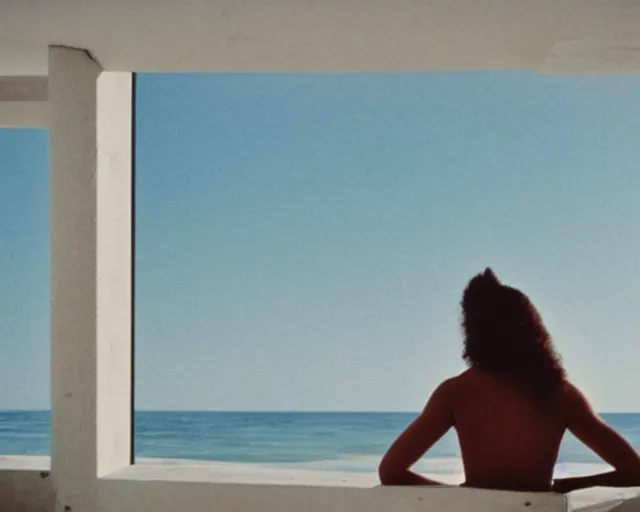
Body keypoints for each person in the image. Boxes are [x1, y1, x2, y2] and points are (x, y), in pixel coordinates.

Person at [378, 268, 640, 494]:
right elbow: (635, 471)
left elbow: (391, 472)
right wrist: (563, 486)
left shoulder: (455, 393)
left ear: (473, 332)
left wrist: (463, 495)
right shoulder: (560, 395)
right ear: (531, 330)